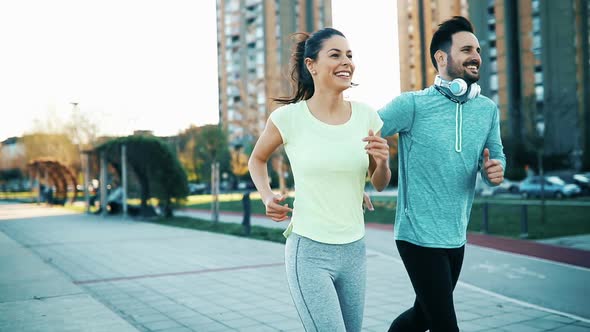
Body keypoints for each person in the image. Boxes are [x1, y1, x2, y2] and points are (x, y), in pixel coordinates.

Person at [248, 27, 390, 331]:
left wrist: (383, 162)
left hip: (354, 250)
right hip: (310, 251)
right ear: (312, 65)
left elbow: (378, 182)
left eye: (350, 56)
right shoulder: (288, 118)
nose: (347, 62)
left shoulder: (367, 116)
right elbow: (256, 160)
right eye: (335, 55)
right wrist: (267, 196)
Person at [376, 16, 506, 331]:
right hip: (417, 235)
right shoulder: (413, 105)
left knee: (422, 316)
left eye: (477, 49)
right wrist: (370, 169)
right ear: (441, 58)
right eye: (466, 49)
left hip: (456, 234)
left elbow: (497, 157)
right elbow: (363, 132)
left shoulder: (487, 109)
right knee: (446, 325)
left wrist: (495, 171)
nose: (476, 56)